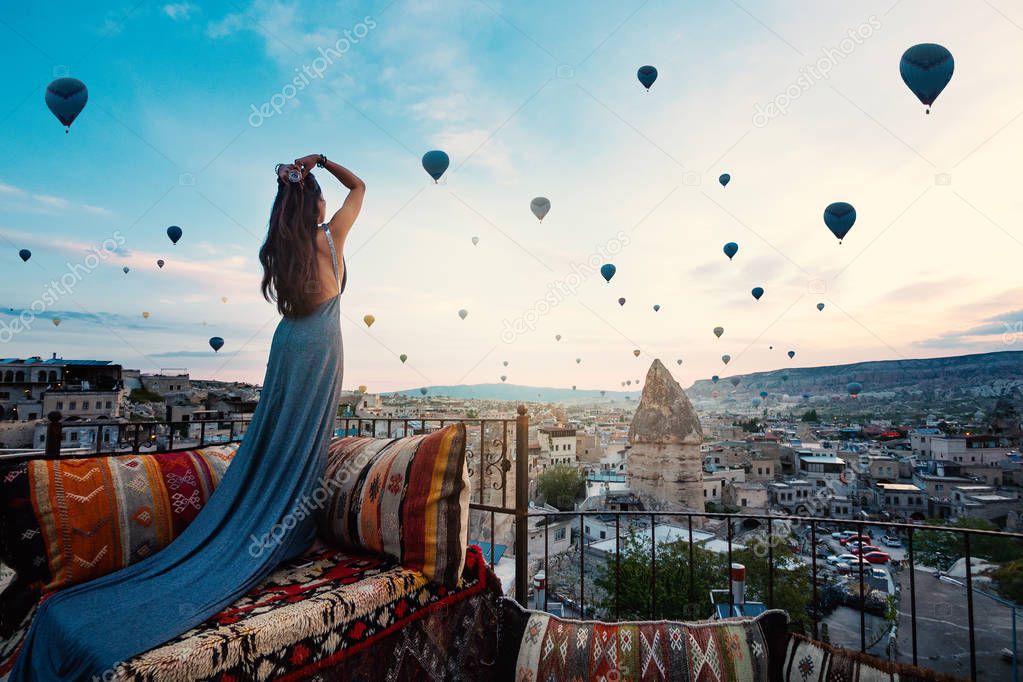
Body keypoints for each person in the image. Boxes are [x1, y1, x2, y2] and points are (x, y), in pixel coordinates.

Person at [12, 154, 365, 681]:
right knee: (306, 437)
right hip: (321, 345)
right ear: (314, 202)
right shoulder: (330, 236)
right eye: (317, 195)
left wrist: (300, 175)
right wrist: (323, 161)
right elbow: (359, 186)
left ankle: (270, 514)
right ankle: (291, 523)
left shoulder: (282, 247)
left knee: (276, 435)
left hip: (288, 343)